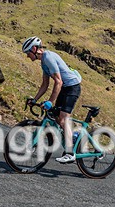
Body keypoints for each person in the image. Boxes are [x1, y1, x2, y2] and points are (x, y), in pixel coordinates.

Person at [21, 36, 83, 164]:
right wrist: (35, 99)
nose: (27, 56)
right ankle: (74, 137)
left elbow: (58, 82)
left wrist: (50, 101)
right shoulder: (43, 62)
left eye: (27, 53)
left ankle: (70, 153)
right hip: (65, 87)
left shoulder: (48, 57)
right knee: (56, 117)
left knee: (63, 118)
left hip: (72, 87)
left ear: (34, 49)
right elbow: (45, 84)